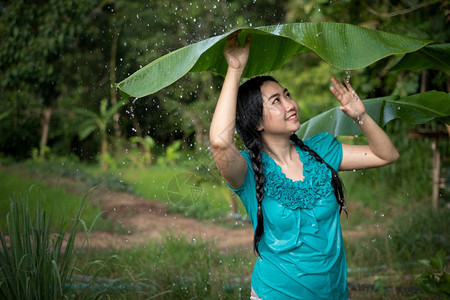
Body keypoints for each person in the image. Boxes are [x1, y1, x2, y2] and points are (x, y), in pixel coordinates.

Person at [209, 32, 399, 300]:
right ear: (257, 122)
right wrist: (235, 69)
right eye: (277, 101)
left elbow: (386, 155)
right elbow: (219, 142)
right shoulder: (248, 172)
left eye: (287, 95)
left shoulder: (322, 151)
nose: (291, 105)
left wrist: (361, 117)